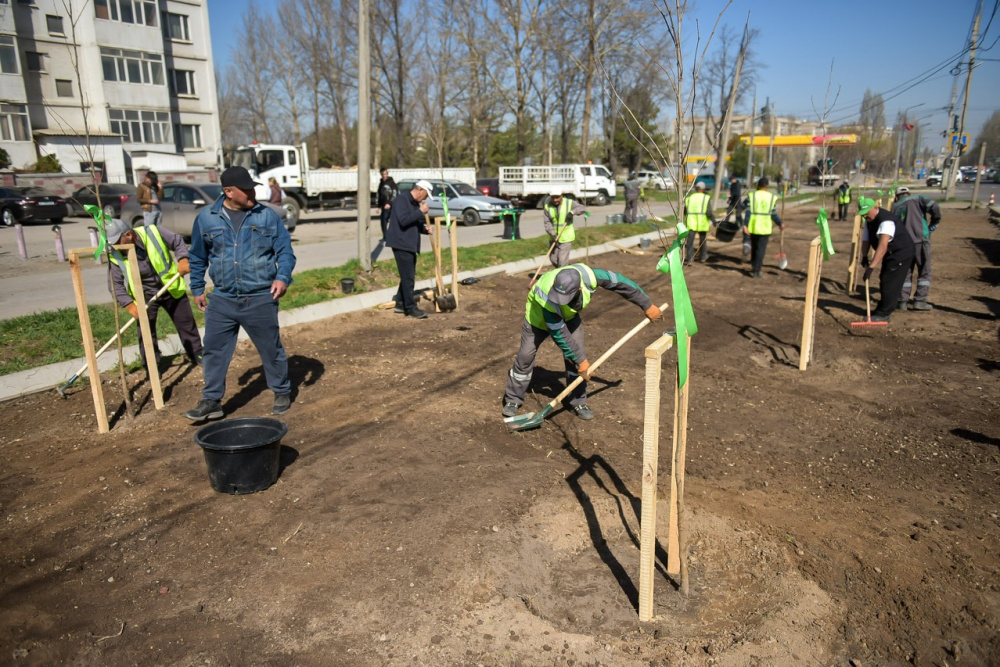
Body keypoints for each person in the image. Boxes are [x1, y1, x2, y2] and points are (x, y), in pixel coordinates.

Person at [183, 166, 297, 422]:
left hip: (260, 296)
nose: (251, 193)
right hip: (222, 299)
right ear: (228, 192)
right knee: (213, 349)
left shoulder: (267, 216)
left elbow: (286, 252)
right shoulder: (207, 218)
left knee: (270, 348)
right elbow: (198, 256)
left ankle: (281, 390)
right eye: (245, 190)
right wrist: (198, 287)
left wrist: (282, 277)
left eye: (252, 188)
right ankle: (211, 401)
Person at [502, 263, 661, 420]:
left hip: (570, 318)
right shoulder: (546, 293)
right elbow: (559, 333)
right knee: (525, 357)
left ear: (579, 289)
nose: (559, 300)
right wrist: (581, 360)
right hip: (536, 321)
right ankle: (512, 400)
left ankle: (578, 401)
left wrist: (646, 304)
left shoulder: (590, 276)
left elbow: (621, 282)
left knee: (576, 362)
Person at [104, 218, 203, 370]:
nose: (115, 247)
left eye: (117, 242)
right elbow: (115, 284)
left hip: (171, 287)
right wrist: (129, 305)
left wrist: (183, 258)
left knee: (186, 324)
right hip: (144, 295)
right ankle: (151, 365)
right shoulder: (115, 255)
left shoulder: (153, 232)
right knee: (146, 333)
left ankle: (197, 354)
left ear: (128, 235)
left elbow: (177, 241)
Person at [858, 196, 915, 322]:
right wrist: (864, 256)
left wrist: (871, 268)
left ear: (875, 207)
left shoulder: (886, 221)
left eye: (867, 213)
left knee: (890, 282)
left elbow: (882, 246)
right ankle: (881, 309)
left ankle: (884, 314)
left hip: (900, 252)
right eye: (863, 214)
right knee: (884, 278)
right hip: (891, 252)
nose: (865, 216)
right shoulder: (869, 220)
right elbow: (866, 240)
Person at [385, 179, 432, 319]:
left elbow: (414, 224)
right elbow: (404, 220)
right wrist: (420, 211)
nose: (426, 198)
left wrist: (425, 229)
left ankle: (400, 302)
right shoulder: (402, 200)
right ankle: (410, 308)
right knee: (408, 278)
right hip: (401, 243)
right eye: (426, 195)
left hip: (409, 244)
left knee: (407, 276)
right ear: (420, 190)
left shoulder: (414, 203)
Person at [892, 185, 941, 311]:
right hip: (920, 240)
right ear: (909, 193)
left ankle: (902, 301)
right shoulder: (918, 198)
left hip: (903, 244)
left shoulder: (895, 207)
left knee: (905, 272)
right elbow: (935, 206)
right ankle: (920, 300)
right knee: (924, 271)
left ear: (897, 196)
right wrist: (935, 222)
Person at [742, 177, 784, 278]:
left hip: (753, 226)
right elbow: (773, 214)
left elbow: (748, 212)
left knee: (754, 247)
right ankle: (756, 271)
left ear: (758, 185)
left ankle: (753, 265)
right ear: (767, 186)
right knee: (761, 249)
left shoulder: (752, 196)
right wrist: (780, 223)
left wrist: (745, 225)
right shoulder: (770, 197)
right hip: (765, 228)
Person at [543, 192, 586, 268]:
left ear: (561, 196)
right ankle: (567, 270)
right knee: (553, 260)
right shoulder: (547, 206)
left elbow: (582, 208)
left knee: (562, 262)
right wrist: (552, 233)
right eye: (553, 197)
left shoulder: (569, 203)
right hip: (554, 238)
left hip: (565, 237)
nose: (555, 200)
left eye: (557, 197)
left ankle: (563, 275)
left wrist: (572, 212)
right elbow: (547, 222)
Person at [371, 168, 399, 263]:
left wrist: (390, 203)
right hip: (383, 206)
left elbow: (395, 194)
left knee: (392, 222)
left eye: (386, 174)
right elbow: (379, 194)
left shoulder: (391, 183)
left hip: (391, 206)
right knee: (383, 222)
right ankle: (386, 238)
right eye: (383, 174)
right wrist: (378, 206)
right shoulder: (381, 183)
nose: (385, 176)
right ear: (381, 174)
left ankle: (392, 238)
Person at [684, 181, 716, 264]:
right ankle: (703, 257)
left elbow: (685, 211)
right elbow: (709, 212)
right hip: (702, 222)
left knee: (690, 242)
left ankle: (690, 259)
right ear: (703, 189)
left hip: (691, 222)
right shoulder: (706, 198)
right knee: (702, 241)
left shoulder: (689, 198)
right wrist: (714, 221)